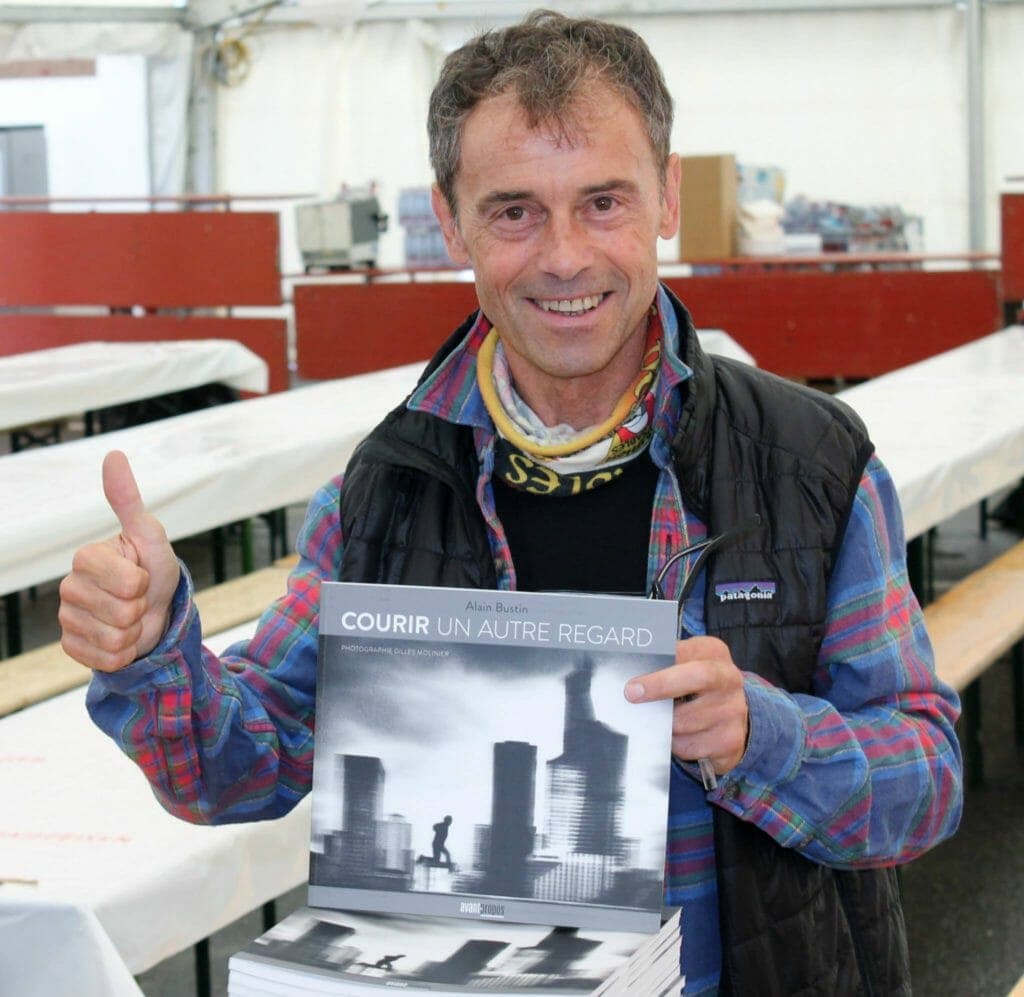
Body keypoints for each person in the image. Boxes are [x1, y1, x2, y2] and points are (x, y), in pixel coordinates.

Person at [59, 10, 962, 994]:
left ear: (666, 198)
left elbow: (924, 786)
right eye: (514, 211)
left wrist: (763, 736)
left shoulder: (806, 464)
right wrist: (153, 653)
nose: (565, 255)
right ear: (450, 222)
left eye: (603, 202)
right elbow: (242, 766)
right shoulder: (382, 491)